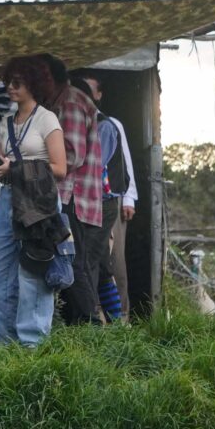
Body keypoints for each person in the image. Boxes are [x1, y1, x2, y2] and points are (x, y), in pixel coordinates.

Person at [0, 55, 67, 346]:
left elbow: (60, 168)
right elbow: (5, 164)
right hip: (8, 198)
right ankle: (5, 344)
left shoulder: (47, 119)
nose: (10, 87)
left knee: (33, 272)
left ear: (33, 83)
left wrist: (15, 168)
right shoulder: (6, 123)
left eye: (17, 82)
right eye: (8, 82)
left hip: (39, 203)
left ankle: (32, 347)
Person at [38, 55, 105, 326]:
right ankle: (79, 327)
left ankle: (91, 325)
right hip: (69, 195)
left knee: (71, 260)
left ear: (48, 78)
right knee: (68, 261)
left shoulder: (70, 102)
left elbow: (70, 157)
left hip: (72, 196)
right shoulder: (59, 102)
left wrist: (29, 164)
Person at [81, 73, 138, 320]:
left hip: (108, 199)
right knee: (95, 260)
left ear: (99, 95)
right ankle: (97, 316)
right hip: (84, 201)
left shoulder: (109, 124)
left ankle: (120, 316)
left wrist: (129, 197)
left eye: (89, 90)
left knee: (114, 261)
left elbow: (124, 162)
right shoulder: (74, 123)